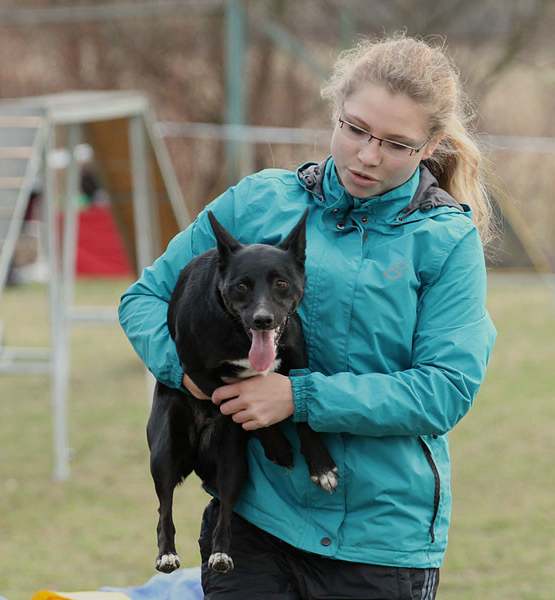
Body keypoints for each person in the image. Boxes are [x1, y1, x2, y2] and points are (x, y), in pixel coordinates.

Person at [119, 35, 497, 599]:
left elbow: (445, 390)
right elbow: (144, 300)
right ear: (335, 111)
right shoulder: (257, 202)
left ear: (432, 144)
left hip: (380, 542)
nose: (368, 156)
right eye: (355, 129)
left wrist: (298, 397)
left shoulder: (446, 241)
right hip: (253, 527)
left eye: (396, 144)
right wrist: (191, 375)